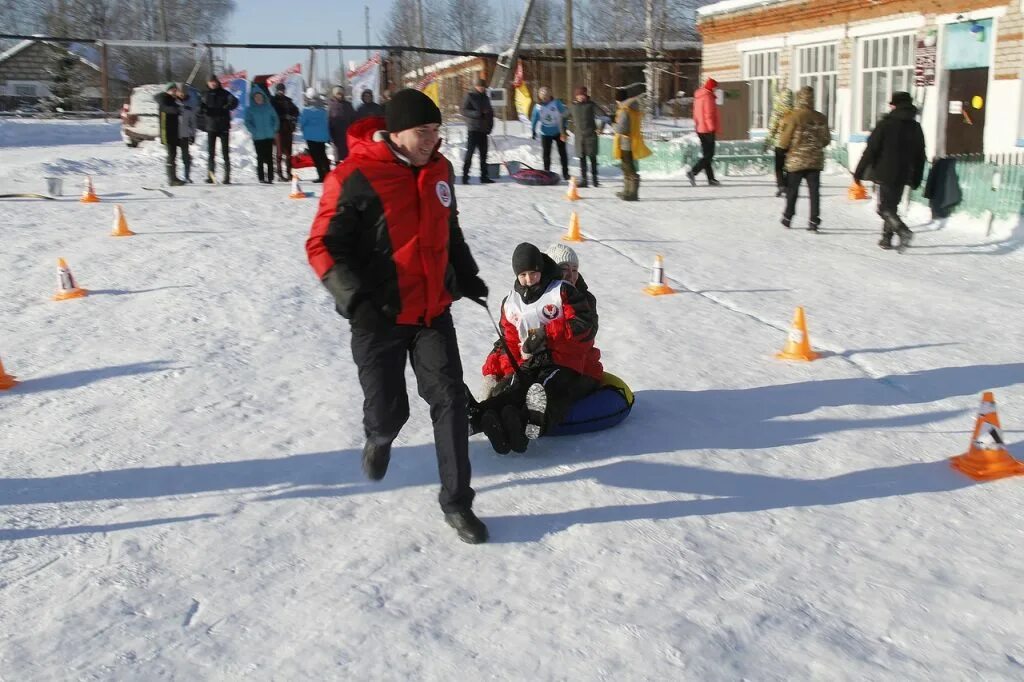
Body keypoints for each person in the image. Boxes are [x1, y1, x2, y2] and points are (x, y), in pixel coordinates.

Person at [305, 88, 490, 544]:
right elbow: (322, 245)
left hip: (432, 312)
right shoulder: (356, 174)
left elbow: (449, 227)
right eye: (422, 132)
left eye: (436, 131)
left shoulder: (440, 170)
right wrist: (356, 301)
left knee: (450, 401)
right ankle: (379, 435)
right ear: (396, 131)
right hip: (379, 317)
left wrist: (464, 273)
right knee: (390, 412)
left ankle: (457, 501)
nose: (432, 140)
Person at [473, 243, 601, 454]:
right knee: (509, 388)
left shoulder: (579, 298)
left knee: (548, 387)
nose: (569, 275)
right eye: (563, 269)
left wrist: (542, 336)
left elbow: (582, 333)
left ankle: (528, 423)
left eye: (574, 270)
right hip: (538, 362)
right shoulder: (525, 300)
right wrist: (496, 374)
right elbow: (509, 342)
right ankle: (482, 419)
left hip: (577, 366)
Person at [854, 91, 927, 251]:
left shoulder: (885, 124)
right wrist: (917, 177)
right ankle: (886, 238)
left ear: (894, 105)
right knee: (892, 206)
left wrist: (859, 171)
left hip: (886, 173)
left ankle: (903, 230)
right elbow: (921, 155)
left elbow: (871, 150)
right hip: (904, 173)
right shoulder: (915, 127)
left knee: (884, 208)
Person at [779, 85, 830, 232]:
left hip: (796, 161)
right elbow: (826, 140)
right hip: (815, 161)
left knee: (792, 190)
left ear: (799, 98)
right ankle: (814, 220)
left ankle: (788, 217)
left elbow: (784, 141)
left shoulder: (793, 117)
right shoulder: (821, 118)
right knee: (814, 192)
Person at [612, 88, 650, 201]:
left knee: (628, 166)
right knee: (626, 166)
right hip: (632, 140)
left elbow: (621, 128)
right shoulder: (632, 108)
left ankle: (632, 193)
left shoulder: (624, 110)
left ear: (618, 99)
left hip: (626, 142)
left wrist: (613, 123)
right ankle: (627, 191)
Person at [200, 75, 238, 184]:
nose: (213, 83)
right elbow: (198, 108)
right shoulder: (204, 94)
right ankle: (210, 175)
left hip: (223, 126)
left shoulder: (225, 93)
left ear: (217, 82)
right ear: (207, 83)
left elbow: (234, 102)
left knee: (225, 152)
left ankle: (227, 177)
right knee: (211, 153)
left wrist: (228, 106)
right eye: (211, 82)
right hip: (211, 126)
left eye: (214, 81)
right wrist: (201, 109)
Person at [460, 78, 494, 185]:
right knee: (470, 153)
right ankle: (465, 176)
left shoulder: (486, 98)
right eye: (480, 86)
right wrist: (477, 113)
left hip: (483, 130)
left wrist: (490, 127)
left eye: (483, 87)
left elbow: (490, 114)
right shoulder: (470, 96)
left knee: (484, 155)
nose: (482, 88)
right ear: (476, 86)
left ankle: (484, 177)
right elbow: (463, 110)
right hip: (473, 129)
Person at [531, 86, 570, 180]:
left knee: (562, 153)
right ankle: (546, 173)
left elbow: (564, 115)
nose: (545, 98)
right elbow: (534, 119)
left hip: (558, 131)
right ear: (540, 97)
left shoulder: (557, 103)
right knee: (546, 154)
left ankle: (565, 173)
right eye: (543, 96)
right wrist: (533, 130)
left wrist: (564, 128)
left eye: (547, 96)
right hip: (545, 133)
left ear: (550, 95)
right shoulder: (538, 107)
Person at [687, 78, 721, 186]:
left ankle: (711, 179)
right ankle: (693, 172)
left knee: (707, 155)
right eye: (715, 87)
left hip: (700, 129)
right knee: (709, 155)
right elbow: (708, 115)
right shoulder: (708, 97)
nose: (716, 89)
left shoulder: (699, 96)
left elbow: (696, 114)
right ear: (711, 87)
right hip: (707, 130)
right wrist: (711, 128)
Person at [244, 84, 280, 184]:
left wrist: (274, 129)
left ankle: (270, 177)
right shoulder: (250, 109)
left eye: (260, 97)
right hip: (258, 137)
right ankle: (261, 177)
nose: (258, 99)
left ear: (263, 96)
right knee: (260, 157)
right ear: (253, 98)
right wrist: (253, 131)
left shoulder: (269, 107)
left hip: (268, 136)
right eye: (256, 97)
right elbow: (247, 122)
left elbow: (275, 119)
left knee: (269, 157)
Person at [569, 86, 601, 188]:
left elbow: (604, 116)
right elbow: (562, 117)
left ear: (585, 95)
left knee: (592, 159)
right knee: (582, 159)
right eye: (579, 95)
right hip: (579, 138)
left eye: (582, 95)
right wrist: (562, 132)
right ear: (576, 96)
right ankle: (584, 180)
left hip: (591, 136)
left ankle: (595, 180)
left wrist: (600, 128)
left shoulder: (591, 105)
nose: (580, 97)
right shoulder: (573, 106)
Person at [765, 87, 794, 197]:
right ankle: (787, 185)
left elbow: (772, 128)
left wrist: (768, 141)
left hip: (780, 143)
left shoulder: (777, 112)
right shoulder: (796, 112)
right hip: (792, 144)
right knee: (789, 167)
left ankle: (781, 185)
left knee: (779, 167)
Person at [155, 82, 184, 186]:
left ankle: (174, 177)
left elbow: (178, 105)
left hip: (174, 130)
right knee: (171, 155)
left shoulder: (172, 99)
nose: (174, 92)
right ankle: (171, 179)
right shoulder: (163, 98)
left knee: (174, 154)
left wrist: (180, 99)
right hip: (166, 131)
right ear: (167, 90)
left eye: (175, 90)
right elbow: (167, 108)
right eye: (173, 90)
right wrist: (177, 109)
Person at [299, 92, 332, 182]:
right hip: (322, 137)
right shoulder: (324, 111)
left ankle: (321, 176)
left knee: (316, 157)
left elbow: (301, 123)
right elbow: (328, 125)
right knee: (323, 156)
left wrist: (303, 130)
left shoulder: (306, 111)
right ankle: (328, 175)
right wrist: (328, 137)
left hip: (310, 137)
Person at [271, 82, 299, 181]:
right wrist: (283, 116)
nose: (281, 91)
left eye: (282, 90)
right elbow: (272, 114)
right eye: (279, 90)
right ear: (276, 90)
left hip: (288, 129)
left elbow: (296, 111)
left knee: (288, 153)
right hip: (278, 130)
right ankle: (279, 174)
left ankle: (289, 173)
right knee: (279, 153)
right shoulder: (273, 101)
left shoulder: (288, 100)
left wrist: (292, 117)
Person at [176, 83, 199, 183]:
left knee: (186, 156)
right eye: (180, 92)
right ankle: (173, 177)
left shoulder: (190, 104)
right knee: (172, 156)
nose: (182, 94)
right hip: (174, 133)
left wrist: (193, 134)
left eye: (184, 92)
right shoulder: (172, 102)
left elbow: (193, 122)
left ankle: (187, 176)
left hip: (185, 134)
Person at [328, 85, 356, 164]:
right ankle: (338, 170)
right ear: (334, 94)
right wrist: (329, 135)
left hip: (347, 132)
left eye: (341, 94)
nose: (340, 95)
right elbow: (328, 120)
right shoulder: (331, 105)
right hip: (336, 133)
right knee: (337, 154)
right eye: (338, 94)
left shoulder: (348, 105)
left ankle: (347, 171)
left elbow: (353, 118)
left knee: (348, 155)